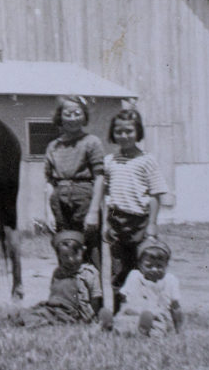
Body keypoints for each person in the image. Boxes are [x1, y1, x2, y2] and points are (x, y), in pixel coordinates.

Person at [102, 108, 169, 295]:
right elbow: (108, 196)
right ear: (113, 134)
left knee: (142, 268)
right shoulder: (109, 161)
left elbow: (155, 194)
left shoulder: (147, 160)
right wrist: (110, 222)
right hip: (116, 221)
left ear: (138, 132)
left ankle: (145, 311)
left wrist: (152, 224)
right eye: (119, 132)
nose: (124, 136)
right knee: (118, 270)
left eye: (129, 131)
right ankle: (119, 314)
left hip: (140, 221)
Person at [44, 95, 105, 264]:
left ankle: (91, 289)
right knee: (65, 250)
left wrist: (93, 212)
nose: (72, 118)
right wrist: (48, 211)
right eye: (67, 114)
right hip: (59, 203)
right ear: (60, 116)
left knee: (90, 252)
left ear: (84, 116)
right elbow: (49, 182)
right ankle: (67, 290)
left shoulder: (92, 142)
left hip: (84, 201)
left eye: (77, 113)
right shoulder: (53, 146)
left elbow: (100, 177)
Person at [10, 230, 102, 327]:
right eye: (65, 256)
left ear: (83, 251)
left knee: (42, 316)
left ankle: (35, 321)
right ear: (59, 256)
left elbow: (95, 299)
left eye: (75, 255)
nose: (71, 260)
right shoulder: (58, 272)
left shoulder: (89, 273)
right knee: (32, 311)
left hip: (73, 313)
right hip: (55, 308)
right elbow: (54, 295)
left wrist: (88, 318)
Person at [99, 237, 182, 336]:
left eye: (159, 266)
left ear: (166, 265)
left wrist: (178, 329)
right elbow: (124, 300)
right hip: (133, 314)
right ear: (140, 264)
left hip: (157, 317)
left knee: (157, 330)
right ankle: (109, 326)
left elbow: (176, 307)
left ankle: (143, 330)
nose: (154, 270)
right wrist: (124, 311)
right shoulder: (135, 276)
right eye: (149, 266)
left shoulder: (170, 280)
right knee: (123, 321)